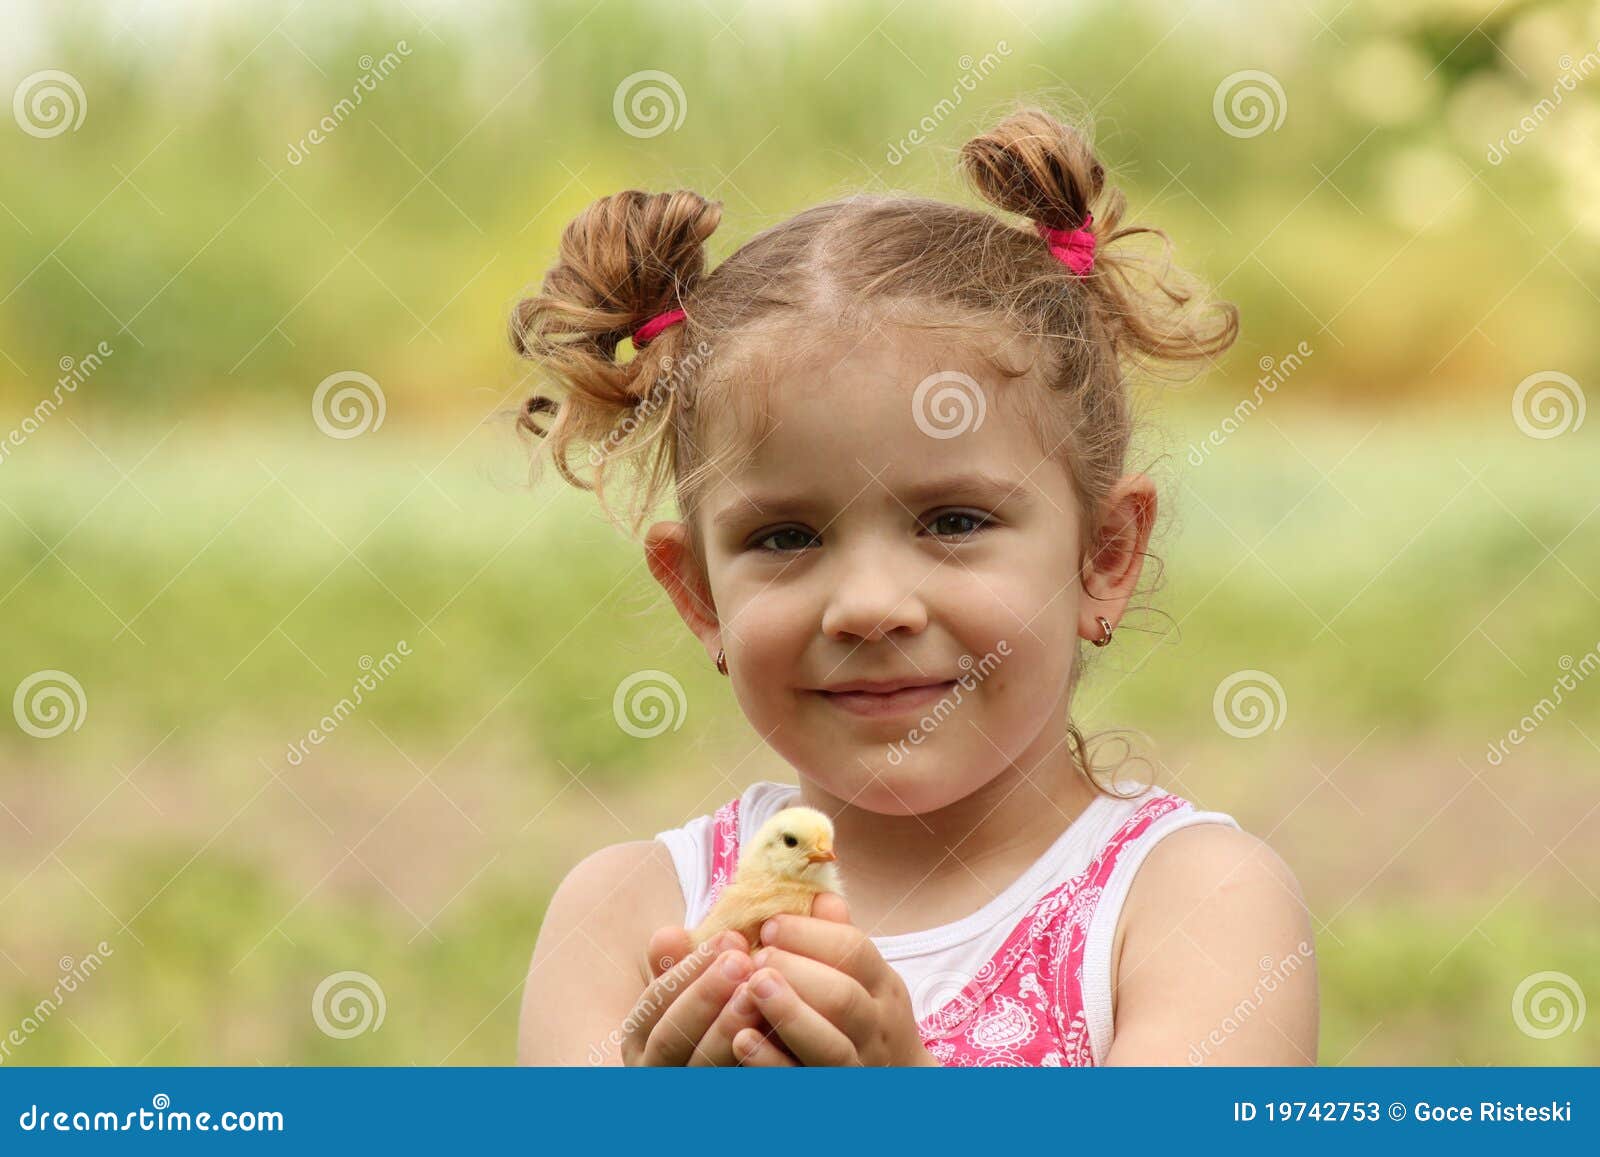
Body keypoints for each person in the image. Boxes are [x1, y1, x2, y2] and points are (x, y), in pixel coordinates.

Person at [513, 105, 1318, 1066]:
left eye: (955, 522)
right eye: (784, 536)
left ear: (1102, 555)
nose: (868, 605)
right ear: (698, 593)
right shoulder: (626, 922)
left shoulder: (1194, 907)